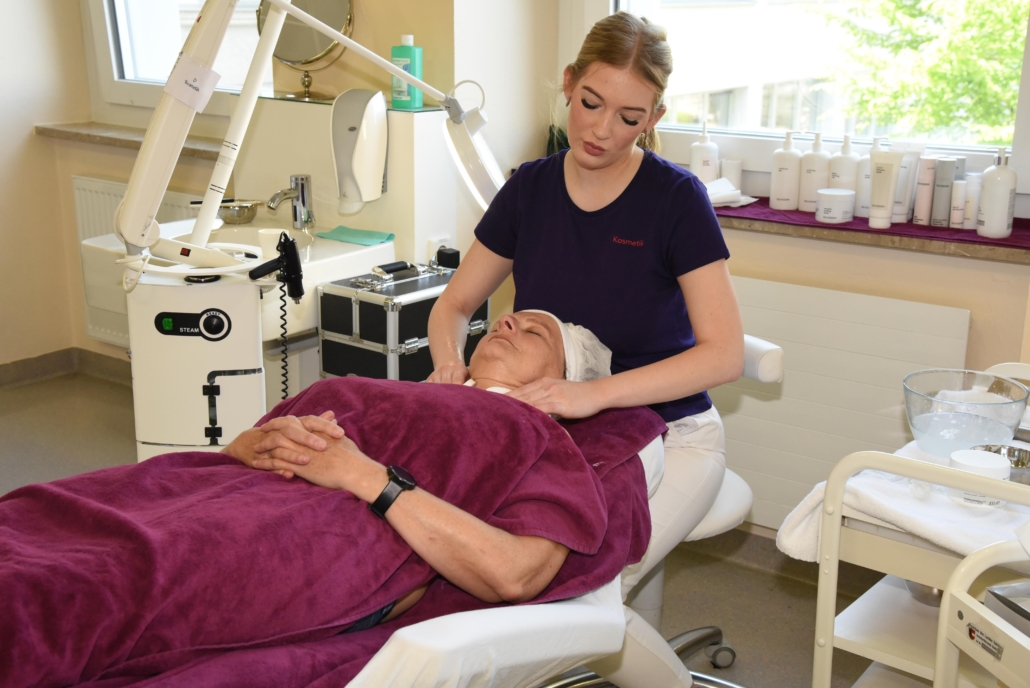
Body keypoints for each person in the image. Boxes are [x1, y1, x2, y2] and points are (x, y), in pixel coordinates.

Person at [0, 311, 663, 687]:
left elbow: (515, 572)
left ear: (564, 381)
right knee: (46, 525)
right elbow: (249, 447)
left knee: (81, 589)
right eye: (511, 316)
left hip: (309, 535)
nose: (510, 318)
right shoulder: (390, 389)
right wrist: (252, 445)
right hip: (211, 489)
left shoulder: (541, 437)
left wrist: (365, 476)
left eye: (535, 332)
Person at [426, 13, 744, 686]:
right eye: (591, 103)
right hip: (552, 434)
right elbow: (454, 305)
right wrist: (449, 362)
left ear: (655, 118)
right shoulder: (530, 189)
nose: (601, 130)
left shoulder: (675, 200)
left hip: (673, 436)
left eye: (629, 118)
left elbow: (723, 355)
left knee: (579, 593)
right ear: (568, 83)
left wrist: (592, 394)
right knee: (479, 567)